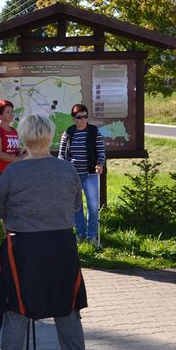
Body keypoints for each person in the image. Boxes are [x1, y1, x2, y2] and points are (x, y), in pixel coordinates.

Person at [0, 113, 92, 350]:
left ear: (23, 137)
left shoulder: (13, 172)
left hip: (23, 249)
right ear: (50, 135)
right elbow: (74, 207)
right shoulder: (68, 169)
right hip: (61, 246)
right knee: (66, 305)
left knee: (17, 308)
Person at [58, 103, 106, 247]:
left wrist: (100, 164)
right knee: (77, 207)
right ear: (74, 118)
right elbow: (62, 154)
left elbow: (101, 151)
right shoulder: (69, 132)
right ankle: (80, 234)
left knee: (92, 206)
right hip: (73, 176)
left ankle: (92, 237)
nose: (83, 120)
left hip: (90, 174)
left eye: (85, 117)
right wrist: (63, 170)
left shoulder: (93, 131)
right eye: (79, 117)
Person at [0, 100, 26, 251]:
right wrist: (18, 159)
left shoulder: (13, 131)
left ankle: (8, 241)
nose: (11, 114)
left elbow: (13, 150)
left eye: (12, 111)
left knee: (9, 207)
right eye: (8, 112)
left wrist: (21, 153)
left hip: (10, 173)